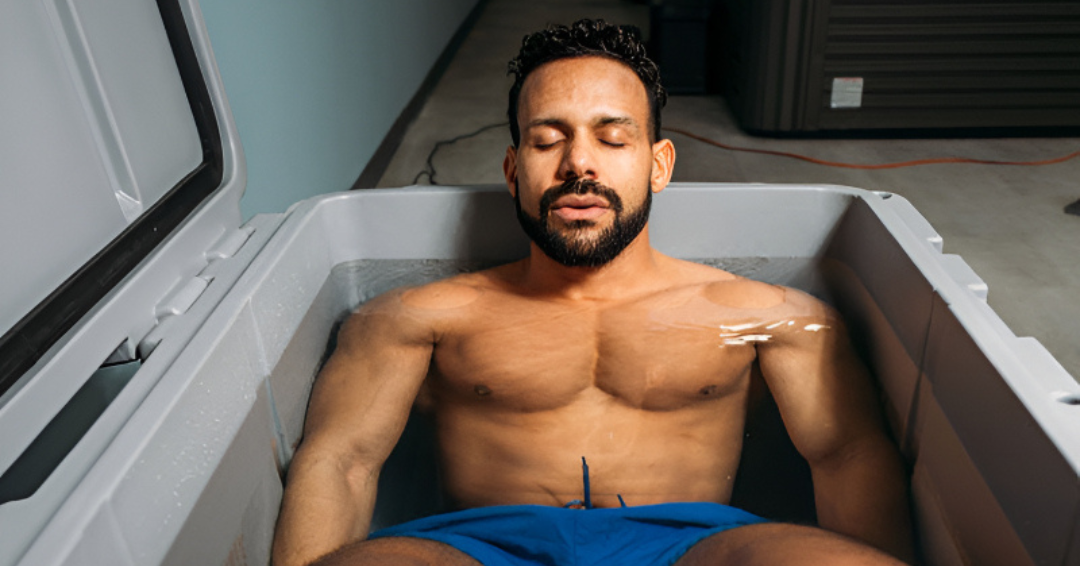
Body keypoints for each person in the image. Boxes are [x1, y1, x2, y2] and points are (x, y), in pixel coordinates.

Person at [272, 19, 914, 566]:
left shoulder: (771, 317)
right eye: (547, 139)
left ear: (658, 164)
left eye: (613, 138)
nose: (580, 164)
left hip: (694, 544)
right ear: (512, 169)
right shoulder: (419, 317)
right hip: (479, 546)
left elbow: (845, 454)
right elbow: (341, 461)